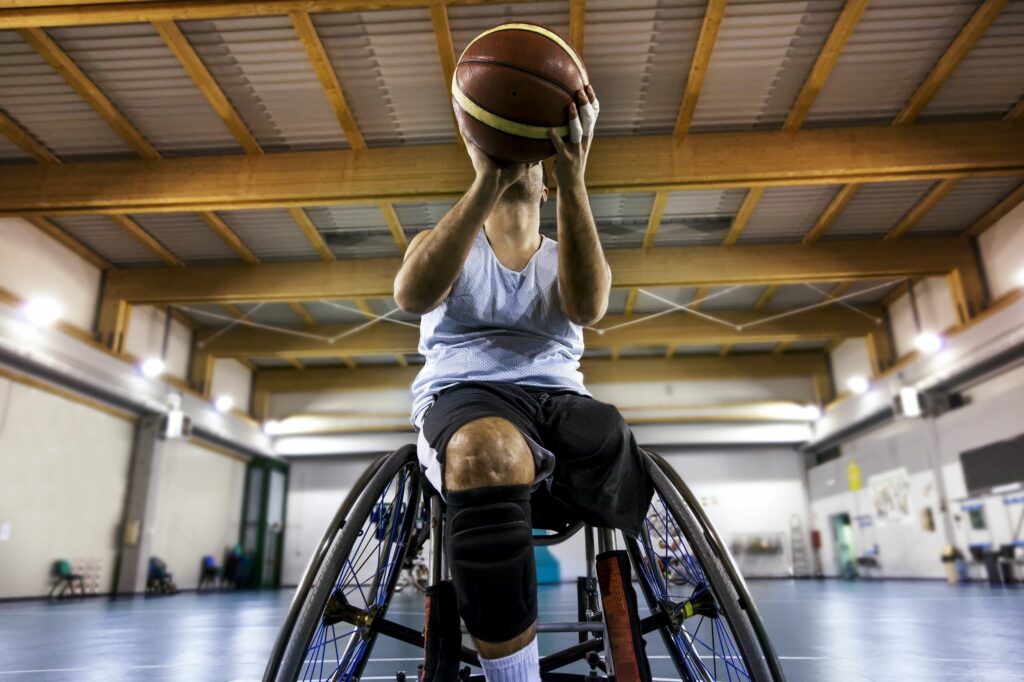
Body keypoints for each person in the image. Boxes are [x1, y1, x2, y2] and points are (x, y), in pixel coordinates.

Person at [394, 85, 653, 682]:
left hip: (557, 398)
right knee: (490, 448)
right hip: (467, 396)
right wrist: (486, 177)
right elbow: (411, 295)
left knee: (609, 427)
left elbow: (588, 307)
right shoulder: (445, 245)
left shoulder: (567, 254)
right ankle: (515, 675)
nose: (521, 166)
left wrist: (575, 175)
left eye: (530, 165)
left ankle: (638, 570)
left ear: (546, 184)